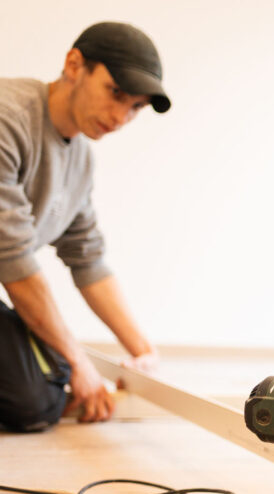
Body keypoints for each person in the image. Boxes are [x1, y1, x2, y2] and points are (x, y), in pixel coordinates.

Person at [0, 22, 170, 431]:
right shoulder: (8, 119)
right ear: (74, 65)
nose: (121, 116)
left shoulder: (80, 159)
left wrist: (142, 352)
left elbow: (87, 258)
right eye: (117, 94)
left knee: (51, 381)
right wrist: (78, 362)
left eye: (135, 107)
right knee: (34, 402)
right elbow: (14, 259)